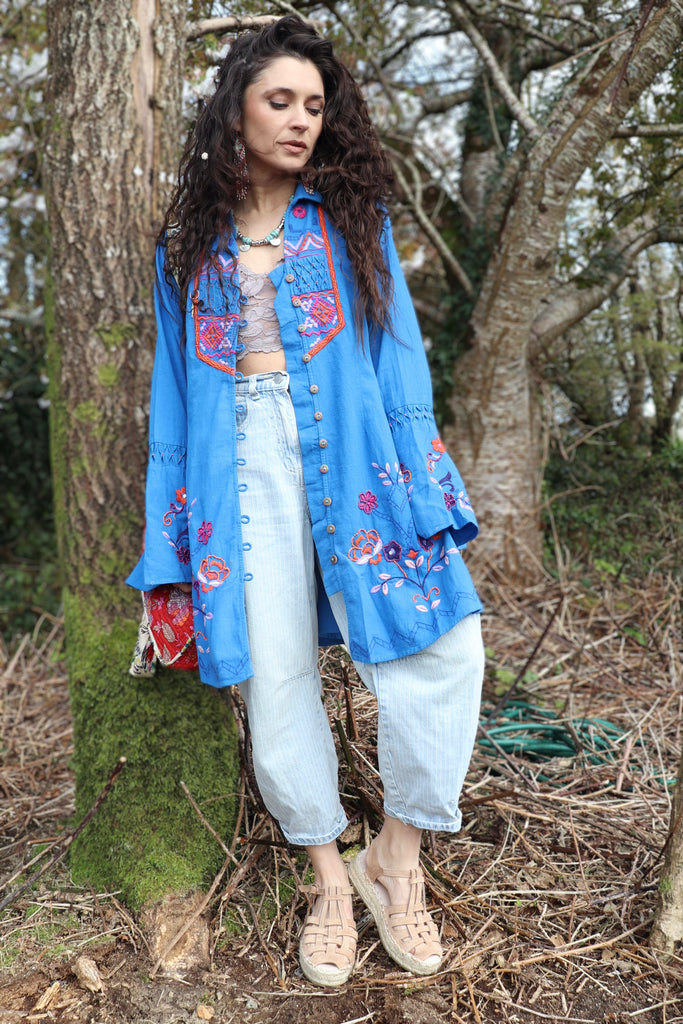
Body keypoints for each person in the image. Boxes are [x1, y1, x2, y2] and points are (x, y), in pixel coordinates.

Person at [127, 14, 484, 988]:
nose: (298, 120)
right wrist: (171, 538)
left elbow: (398, 355)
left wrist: (422, 477)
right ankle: (329, 879)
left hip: (359, 457)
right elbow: (174, 392)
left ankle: (395, 859)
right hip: (234, 467)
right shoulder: (184, 244)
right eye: (278, 101)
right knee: (274, 672)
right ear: (234, 112)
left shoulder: (351, 221)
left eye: (314, 106)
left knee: (447, 647)